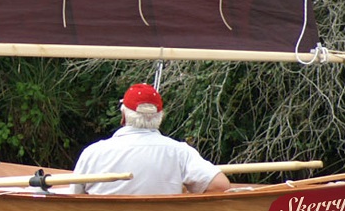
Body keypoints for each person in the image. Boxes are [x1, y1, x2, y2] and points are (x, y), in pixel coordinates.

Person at [70, 83, 231, 195]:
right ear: (160, 117)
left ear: (123, 115)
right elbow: (221, 186)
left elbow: (74, 197)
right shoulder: (181, 152)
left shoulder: (93, 153)